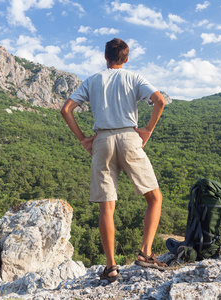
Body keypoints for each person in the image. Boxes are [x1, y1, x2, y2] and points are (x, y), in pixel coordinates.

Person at [60, 38, 167, 283]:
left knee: (106, 207)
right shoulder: (134, 77)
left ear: (104, 56)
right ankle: (145, 253)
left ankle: (111, 268)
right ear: (126, 58)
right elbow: (159, 100)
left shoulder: (93, 80)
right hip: (130, 138)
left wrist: (83, 140)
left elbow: (66, 109)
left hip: (102, 141)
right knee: (154, 198)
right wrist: (148, 130)